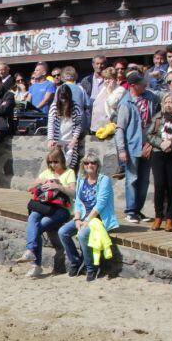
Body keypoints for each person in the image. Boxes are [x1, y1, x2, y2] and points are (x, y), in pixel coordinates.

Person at [58, 153, 117, 282]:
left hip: (98, 218)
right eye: (86, 163)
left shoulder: (104, 180)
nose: (89, 165)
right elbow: (78, 201)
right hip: (83, 216)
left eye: (93, 163)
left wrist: (86, 221)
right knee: (63, 232)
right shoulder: (81, 180)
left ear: (97, 165)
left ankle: (92, 267)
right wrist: (77, 219)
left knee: (83, 234)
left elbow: (101, 203)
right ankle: (76, 262)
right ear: (83, 165)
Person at [18, 147, 75, 276]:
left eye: (56, 162)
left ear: (62, 161)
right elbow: (29, 188)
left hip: (62, 209)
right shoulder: (46, 173)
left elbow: (74, 192)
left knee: (38, 227)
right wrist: (41, 181)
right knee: (33, 217)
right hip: (44, 206)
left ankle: (35, 264)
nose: (53, 165)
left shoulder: (69, 172)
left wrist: (58, 186)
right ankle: (31, 253)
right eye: (50, 162)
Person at [114, 71, 156, 223]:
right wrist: (122, 150)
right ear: (132, 86)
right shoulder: (126, 103)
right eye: (141, 83)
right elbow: (120, 129)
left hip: (148, 145)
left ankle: (138, 210)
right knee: (132, 178)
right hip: (132, 146)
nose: (145, 84)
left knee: (144, 180)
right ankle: (130, 211)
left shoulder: (150, 97)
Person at [144, 91, 172, 231]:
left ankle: (170, 218)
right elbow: (149, 135)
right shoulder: (158, 117)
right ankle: (159, 216)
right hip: (158, 154)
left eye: (171, 101)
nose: (168, 104)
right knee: (159, 186)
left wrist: (171, 142)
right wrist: (161, 143)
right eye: (166, 102)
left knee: (171, 186)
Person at [47, 85, 83, 170]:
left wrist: (74, 139)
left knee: (72, 163)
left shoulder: (75, 107)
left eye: (65, 98)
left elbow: (78, 124)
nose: (63, 100)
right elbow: (51, 124)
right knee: (57, 162)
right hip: (58, 139)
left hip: (70, 139)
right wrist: (50, 139)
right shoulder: (54, 107)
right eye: (61, 98)